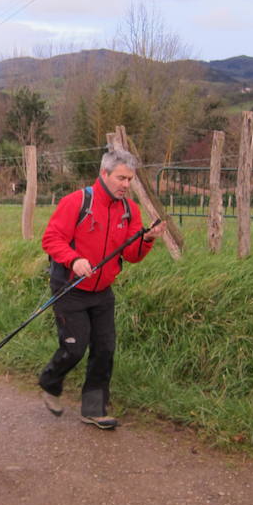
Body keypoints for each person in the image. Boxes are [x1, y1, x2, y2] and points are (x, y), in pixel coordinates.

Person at [39, 149, 166, 429]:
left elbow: (131, 255)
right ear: (105, 174)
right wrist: (75, 259)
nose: (125, 184)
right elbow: (51, 239)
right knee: (75, 348)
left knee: (105, 349)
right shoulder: (77, 202)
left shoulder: (129, 210)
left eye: (130, 179)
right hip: (70, 286)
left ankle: (94, 410)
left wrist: (147, 239)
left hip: (102, 290)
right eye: (121, 178)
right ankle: (50, 380)